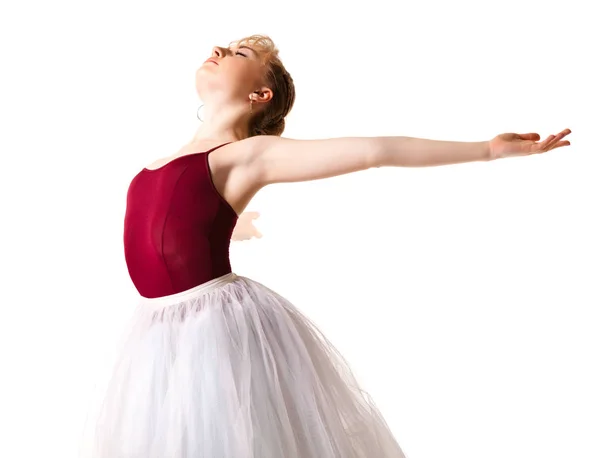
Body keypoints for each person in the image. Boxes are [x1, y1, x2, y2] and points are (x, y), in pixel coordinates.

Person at [80, 34, 571, 458]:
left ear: (259, 93)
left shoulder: (249, 154)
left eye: (237, 51)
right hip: (157, 332)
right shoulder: (166, 159)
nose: (218, 49)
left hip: (212, 325)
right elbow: (181, 217)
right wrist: (236, 225)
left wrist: (485, 150)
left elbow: (375, 151)